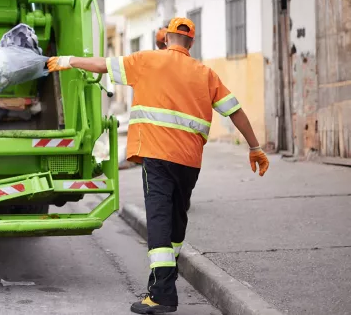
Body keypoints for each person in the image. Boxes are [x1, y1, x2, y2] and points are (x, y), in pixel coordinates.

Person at [47, 17, 270, 314]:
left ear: (165, 39)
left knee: (160, 222)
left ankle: (162, 294)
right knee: (177, 220)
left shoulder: (147, 60)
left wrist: (68, 60)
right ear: (191, 42)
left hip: (157, 156)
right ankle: (162, 282)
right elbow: (235, 111)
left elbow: (103, 65)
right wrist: (255, 147)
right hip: (189, 161)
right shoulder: (205, 73)